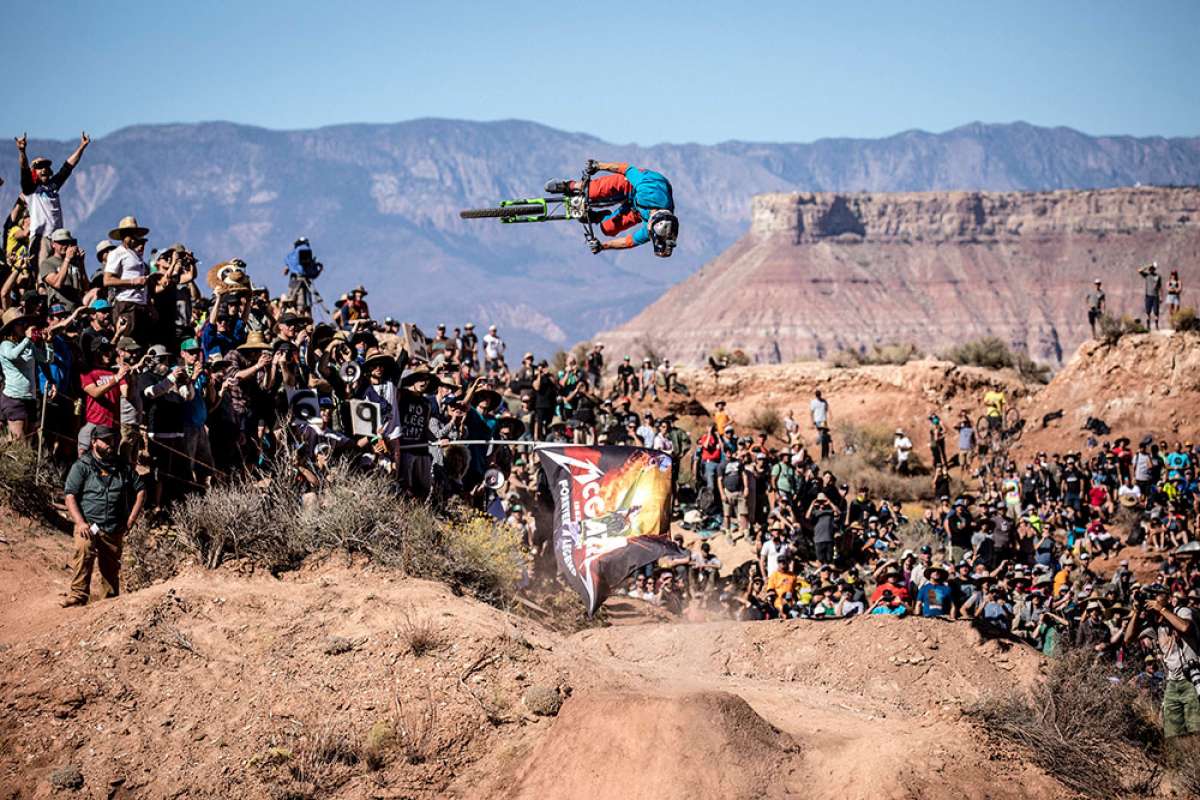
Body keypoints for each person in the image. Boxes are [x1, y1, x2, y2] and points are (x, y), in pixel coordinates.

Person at [61, 425, 147, 607]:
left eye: (112, 441)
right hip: (88, 525)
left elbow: (140, 490)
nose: (111, 445)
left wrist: (131, 519)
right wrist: (80, 522)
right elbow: (70, 496)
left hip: (114, 526)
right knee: (83, 551)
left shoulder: (122, 466)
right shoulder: (82, 466)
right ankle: (78, 595)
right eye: (106, 441)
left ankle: (109, 605)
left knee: (110, 568)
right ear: (94, 442)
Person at [545, 160, 678, 257]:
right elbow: (626, 169)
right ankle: (570, 186)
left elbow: (628, 242)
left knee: (607, 228)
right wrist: (599, 166)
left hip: (638, 208)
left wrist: (602, 246)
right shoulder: (648, 188)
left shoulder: (661, 230)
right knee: (591, 191)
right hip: (631, 185)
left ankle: (593, 217)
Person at [1123, 585, 1200, 742]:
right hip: (1173, 680)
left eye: (1157, 595)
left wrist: (1162, 609)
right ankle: (1179, 759)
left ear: (1169, 598)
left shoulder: (1182, 611)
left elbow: (1185, 627)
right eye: (1151, 596)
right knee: (1171, 730)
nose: (1153, 599)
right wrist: (1137, 612)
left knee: (1195, 725)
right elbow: (1128, 639)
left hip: (1193, 675)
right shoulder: (1154, 624)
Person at [16, 131, 90, 268]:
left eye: (45, 166)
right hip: (41, 238)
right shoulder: (30, 190)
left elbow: (68, 167)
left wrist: (82, 146)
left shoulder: (53, 186)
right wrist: (22, 151)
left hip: (59, 238)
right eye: (39, 168)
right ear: (34, 172)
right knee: (42, 273)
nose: (43, 169)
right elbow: (24, 169)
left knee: (64, 271)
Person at [103, 216, 153, 345]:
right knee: (127, 342)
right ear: (123, 236)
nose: (132, 237)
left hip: (139, 304)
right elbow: (107, 280)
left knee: (140, 343)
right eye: (129, 234)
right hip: (126, 303)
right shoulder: (117, 253)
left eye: (134, 234)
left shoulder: (136, 255)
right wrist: (132, 282)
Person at [282, 237, 322, 313]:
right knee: (302, 304)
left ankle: (297, 313)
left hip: (296, 282)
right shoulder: (300, 256)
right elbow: (313, 273)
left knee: (296, 302)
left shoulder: (292, 256)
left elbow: (285, 271)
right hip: (300, 282)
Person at [1138, 262, 1163, 330]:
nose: (1151, 269)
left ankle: (1156, 326)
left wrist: (1161, 296)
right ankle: (1148, 326)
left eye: (1152, 268)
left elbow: (1160, 287)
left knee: (1156, 312)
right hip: (1148, 296)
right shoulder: (1147, 275)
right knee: (1148, 312)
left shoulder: (1158, 276)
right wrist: (1147, 265)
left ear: (1154, 269)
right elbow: (1139, 270)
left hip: (1156, 296)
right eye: (1150, 269)